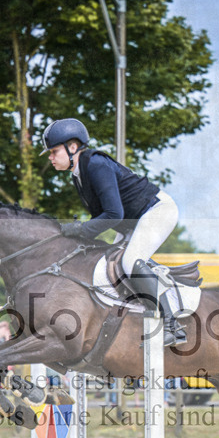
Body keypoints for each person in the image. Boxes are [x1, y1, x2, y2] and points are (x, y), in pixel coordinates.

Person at [41, 117, 186, 346]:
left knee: (130, 263)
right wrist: (81, 236)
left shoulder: (96, 164)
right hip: (131, 222)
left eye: (53, 151)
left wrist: (80, 229)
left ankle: (172, 326)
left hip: (157, 211)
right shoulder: (79, 174)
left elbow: (113, 214)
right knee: (107, 266)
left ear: (72, 147)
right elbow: (107, 216)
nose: (50, 157)